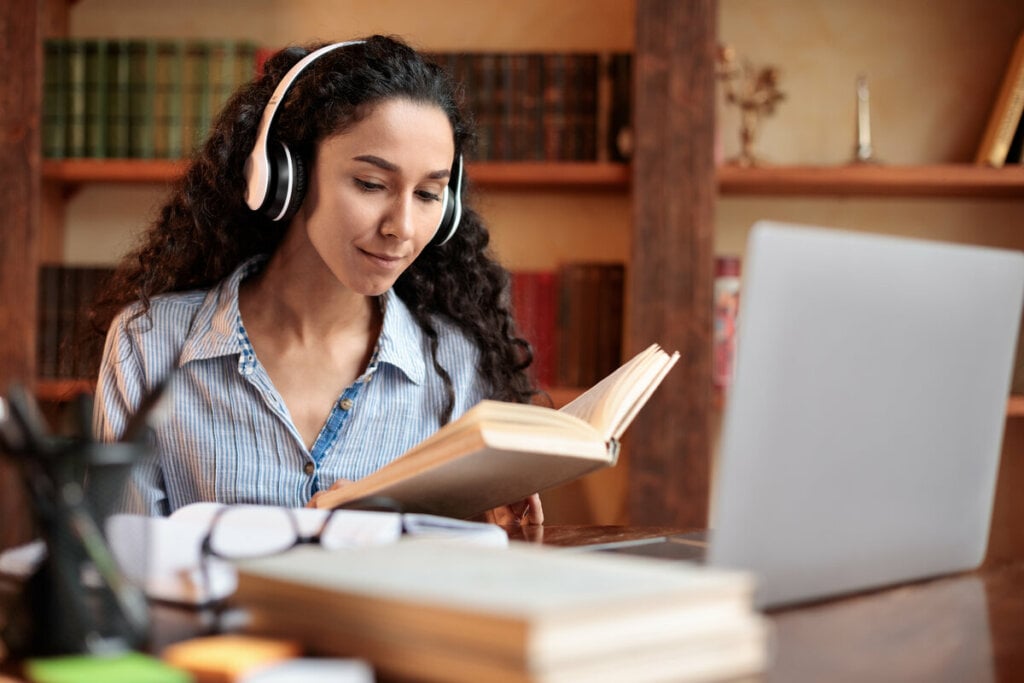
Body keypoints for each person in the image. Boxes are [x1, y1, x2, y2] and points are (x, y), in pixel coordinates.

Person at [90, 35, 544, 526]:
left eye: (429, 193)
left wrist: (477, 529)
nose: (402, 228)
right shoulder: (150, 344)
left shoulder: (457, 363)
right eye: (371, 184)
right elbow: (117, 570)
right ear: (287, 177)